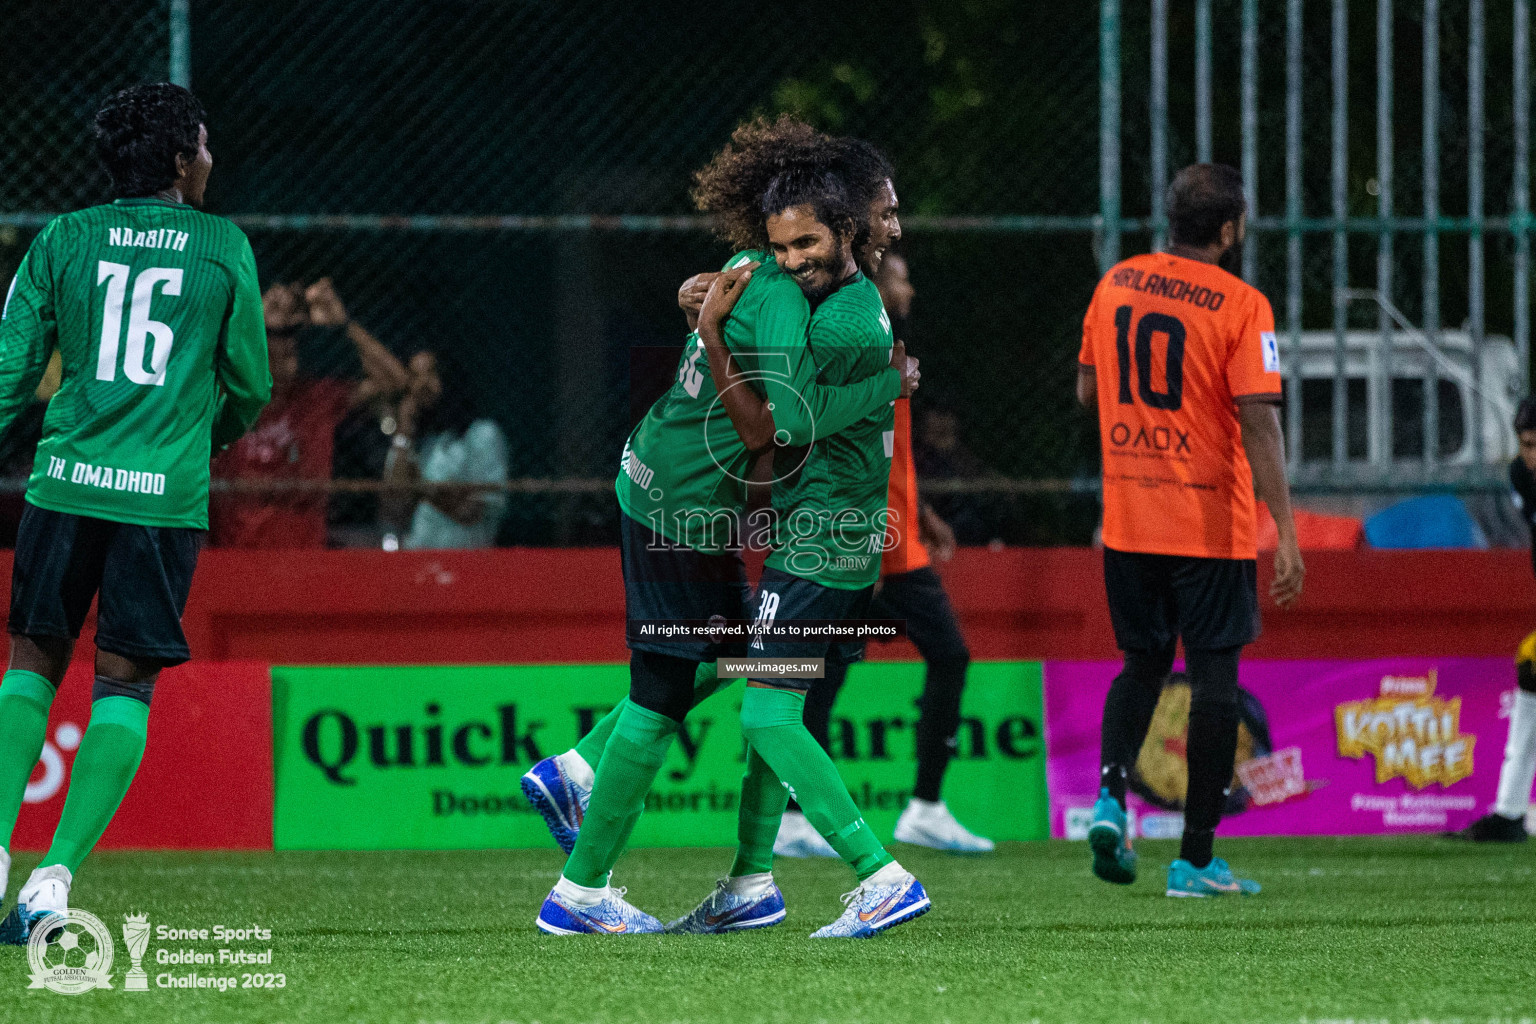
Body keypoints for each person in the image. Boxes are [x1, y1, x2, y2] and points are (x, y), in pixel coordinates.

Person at [528, 118, 916, 938]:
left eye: (807, 242)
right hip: (692, 509)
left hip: (757, 518)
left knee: (742, 685)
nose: (790, 258)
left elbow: (790, 421)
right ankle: (643, 878)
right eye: (884, 208)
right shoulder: (798, 295)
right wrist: (887, 384)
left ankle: (620, 840)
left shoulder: (781, 285)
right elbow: (780, 426)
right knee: (705, 681)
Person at [0, 83, 270, 936]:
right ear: (185, 158)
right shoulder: (223, 245)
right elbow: (252, 384)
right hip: (163, 499)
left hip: (68, 486)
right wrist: (202, 436)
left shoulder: (62, 238)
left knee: (30, 666)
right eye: (206, 144)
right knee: (125, 684)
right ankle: (53, 880)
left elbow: (11, 370)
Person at [1076, 163, 1304, 897]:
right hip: (1209, 522)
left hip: (1128, 518)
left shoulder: (1115, 284)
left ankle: (1110, 797)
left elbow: (1086, 390)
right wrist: (1288, 530)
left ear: (1171, 219)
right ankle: (1196, 859)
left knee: (1141, 667)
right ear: (1230, 229)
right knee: (1214, 684)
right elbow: (1259, 419)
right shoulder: (1242, 304)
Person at [776, 247, 993, 858]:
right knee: (836, 670)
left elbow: (888, 447)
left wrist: (923, 514)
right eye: (900, 273)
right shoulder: (859, 338)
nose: (910, 285)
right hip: (875, 545)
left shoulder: (884, 340)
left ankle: (825, 815)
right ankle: (905, 808)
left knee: (832, 671)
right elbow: (844, 448)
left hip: (897, 536)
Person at [209, 276, 408, 548]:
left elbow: (394, 380)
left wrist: (344, 324)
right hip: (237, 554)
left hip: (302, 554)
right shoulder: (229, 397)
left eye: (290, 356)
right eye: (273, 357)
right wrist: (249, 316)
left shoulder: (315, 397)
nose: (284, 367)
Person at [1450, 398, 1536, 842]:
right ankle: (1509, 812)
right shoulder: (1522, 476)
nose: (1532, 456)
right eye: (1527, 444)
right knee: (1531, 673)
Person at [380, 351, 509, 550]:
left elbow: (472, 512)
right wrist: (404, 432)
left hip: (465, 561)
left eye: (430, 374)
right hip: (417, 558)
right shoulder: (415, 443)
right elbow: (393, 510)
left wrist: (422, 488)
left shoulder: (481, 435)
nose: (422, 385)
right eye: (415, 377)